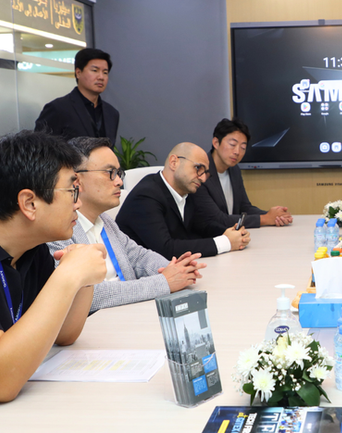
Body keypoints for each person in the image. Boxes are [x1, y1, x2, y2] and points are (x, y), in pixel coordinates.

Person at [0, 131, 107, 402]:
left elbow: (65, 334)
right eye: (72, 191)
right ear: (29, 203)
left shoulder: (32, 250)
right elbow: (2, 382)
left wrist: (82, 276)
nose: (78, 203)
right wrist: (68, 276)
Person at [48, 137, 207, 313]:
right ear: (77, 180)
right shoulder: (57, 231)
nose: (119, 181)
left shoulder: (105, 221)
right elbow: (89, 296)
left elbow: (138, 256)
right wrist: (164, 282)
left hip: (128, 313)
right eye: (110, 172)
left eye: (119, 173)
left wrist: (175, 270)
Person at [116, 142, 250, 258]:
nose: (203, 178)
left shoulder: (188, 190)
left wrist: (230, 233)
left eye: (205, 172)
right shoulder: (146, 195)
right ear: (174, 162)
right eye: (198, 168)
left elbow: (202, 226)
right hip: (139, 275)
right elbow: (165, 249)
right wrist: (226, 242)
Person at [191, 119, 292, 230]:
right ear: (216, 143)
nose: (237, 152)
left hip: (233, 236)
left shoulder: (234, 170)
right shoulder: (199, 174)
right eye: (232, 144)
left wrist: (275, 215)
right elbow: (218, 219)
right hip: (208, 237)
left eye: (243, 148)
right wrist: (266, 218)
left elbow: (244, 208)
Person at [34, 48, 120, 145]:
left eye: (105, 72)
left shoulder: (112, 113)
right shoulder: (58, 109)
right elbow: (40, 149)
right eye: (95, 70)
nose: (101, 77)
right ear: (78, 73)